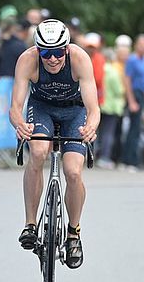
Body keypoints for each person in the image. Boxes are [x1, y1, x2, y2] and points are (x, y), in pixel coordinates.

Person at [9, 19, 99, 269]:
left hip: (74, 112)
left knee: (72, 171)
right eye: (46, 53)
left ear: (67, 49)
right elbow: (16, 106)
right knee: (37, 152)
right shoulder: (27, 60)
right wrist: (19, 125)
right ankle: (30, 225)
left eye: (58, 52)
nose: (52, 59)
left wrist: (91, 126)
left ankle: (73, 232)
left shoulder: (79, 59)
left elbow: (93, 107)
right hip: (42, 109)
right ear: (38, 50)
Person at [120, 34, 144, 170]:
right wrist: (131, 100)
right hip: (134, 94)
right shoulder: (132, 60)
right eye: (141, 45)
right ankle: (129, 161)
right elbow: (127, 80)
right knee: (133, 129)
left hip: (142, 95)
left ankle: (132, 159)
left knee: (138, 128)